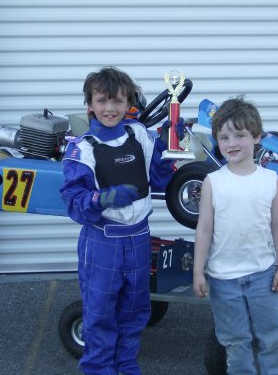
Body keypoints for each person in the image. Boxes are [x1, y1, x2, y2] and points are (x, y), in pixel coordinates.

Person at [60, 66, 183, 375]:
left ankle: (127, 366)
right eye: (102, 101)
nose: (109, 108)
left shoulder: (138, 134)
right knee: (100, 313)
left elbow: (158, 180)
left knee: (134, 309)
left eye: (117, 101)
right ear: (89, 105)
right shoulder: (81, 149)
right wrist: (102, 199)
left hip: (139, 236)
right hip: (102, 241)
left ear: (128, 102)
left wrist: (170, 145)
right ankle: (99, 369)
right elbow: (74, 201)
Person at [193, 96, 278, 374]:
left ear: (257, 137)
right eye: (224, 137)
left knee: (272, 339)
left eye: (240, 135)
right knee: (236, 343)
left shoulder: (270, 180)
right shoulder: (213, 182)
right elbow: (204, 229)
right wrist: (198, 272)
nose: (231, 143)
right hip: (223, 281)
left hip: (263, 275)